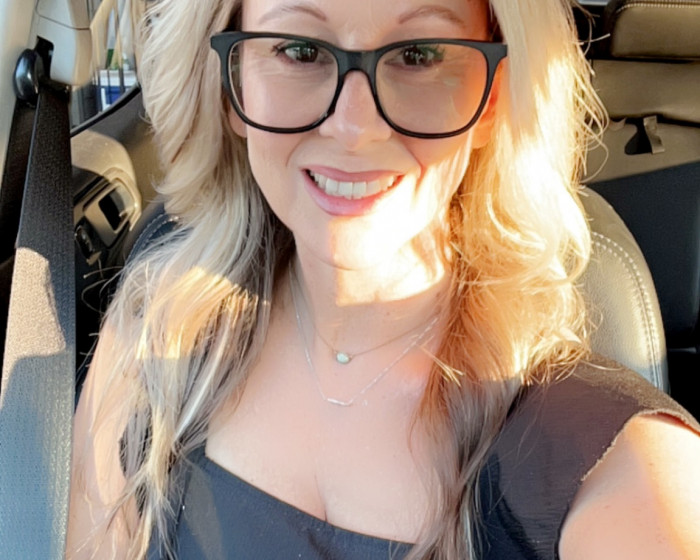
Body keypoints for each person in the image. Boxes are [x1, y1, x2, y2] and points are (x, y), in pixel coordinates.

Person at [66, 0, 700, 558]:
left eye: (419, 55)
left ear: (493, 98)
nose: (354, 126)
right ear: (232, 87)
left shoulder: (622, 463)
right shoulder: (154, 337)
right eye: (300, 50)